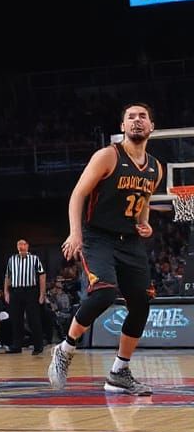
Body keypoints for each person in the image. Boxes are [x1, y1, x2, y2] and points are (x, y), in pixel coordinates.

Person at [48, 102, 162, 395]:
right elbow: (78, 194)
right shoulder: (107, 156)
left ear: (151, 127)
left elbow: (143, 201)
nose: (137, 121)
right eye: (130, 117)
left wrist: (144, 223)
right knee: (105, 292)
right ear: (122, 126)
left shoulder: (155, 168)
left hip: (130, 241)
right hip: (98, 236)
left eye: (143, 117)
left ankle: (119, 372)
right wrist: (75, 234)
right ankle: (65, 348)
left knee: (141, 304)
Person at [3, 239, 46, 354]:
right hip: (16, 291)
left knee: (33, 318)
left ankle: (38, 345)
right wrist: (6, 292)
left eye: (23, 244)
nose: (21, 246)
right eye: (19, 244)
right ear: (17, 247)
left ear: (27, 246)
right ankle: (17, 346)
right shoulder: (12, 259)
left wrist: (42, 293)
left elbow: (42, 276)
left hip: (30, 291)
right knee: (16, 319)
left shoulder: (34, 259)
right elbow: (7, 276)